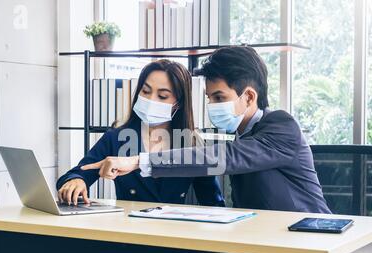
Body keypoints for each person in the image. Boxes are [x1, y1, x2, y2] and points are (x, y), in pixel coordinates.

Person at [91, 46, 331, 214]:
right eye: (209, 98)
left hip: (311, 240)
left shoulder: (281, 126)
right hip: (268, 243)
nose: (212, 107)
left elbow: (223, 157)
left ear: (248, 97)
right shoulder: (242, 133)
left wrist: (137, 162)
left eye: (219, 97)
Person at [56, 59, 225, 207]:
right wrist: (76, 180)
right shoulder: (116, 138)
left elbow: (213, 202)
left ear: (178, 103)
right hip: (129, 233)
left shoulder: (192, 143)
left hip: (175, 234)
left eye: (163, 96)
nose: (151, 100)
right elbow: (79, 172)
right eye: (145, 91)